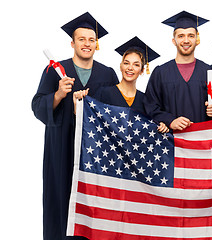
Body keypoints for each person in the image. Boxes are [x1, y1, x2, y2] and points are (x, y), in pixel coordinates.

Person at [31, 12, 119, 240]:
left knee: (93, 204)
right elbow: (37, 105)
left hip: (95, 154)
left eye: (91, 40)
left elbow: (116, 113)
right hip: (61, 148)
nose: (86, 44)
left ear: (96, 44)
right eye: (81, 39)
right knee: (61, 200)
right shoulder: (55, 70)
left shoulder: (108, 74)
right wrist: (59, 94)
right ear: (72, 43)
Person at [144, 11, 212, 131]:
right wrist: (170, 121)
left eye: (191, 35)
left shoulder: (209, 71)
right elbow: (150, 107)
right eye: (181, 36)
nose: (186, 40)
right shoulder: (160, 73)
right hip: (171, 143)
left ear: (197, 39)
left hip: (203, 142)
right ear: (174, 41)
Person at [74, 36, 168, 133]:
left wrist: (162, 126)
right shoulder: (104, 93)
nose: (130, 68)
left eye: (136, 65)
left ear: (142, 70)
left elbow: (151, 127)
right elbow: (88, 118)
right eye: (126, 63)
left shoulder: (145, 100)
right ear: (120, 66)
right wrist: (78, 105)